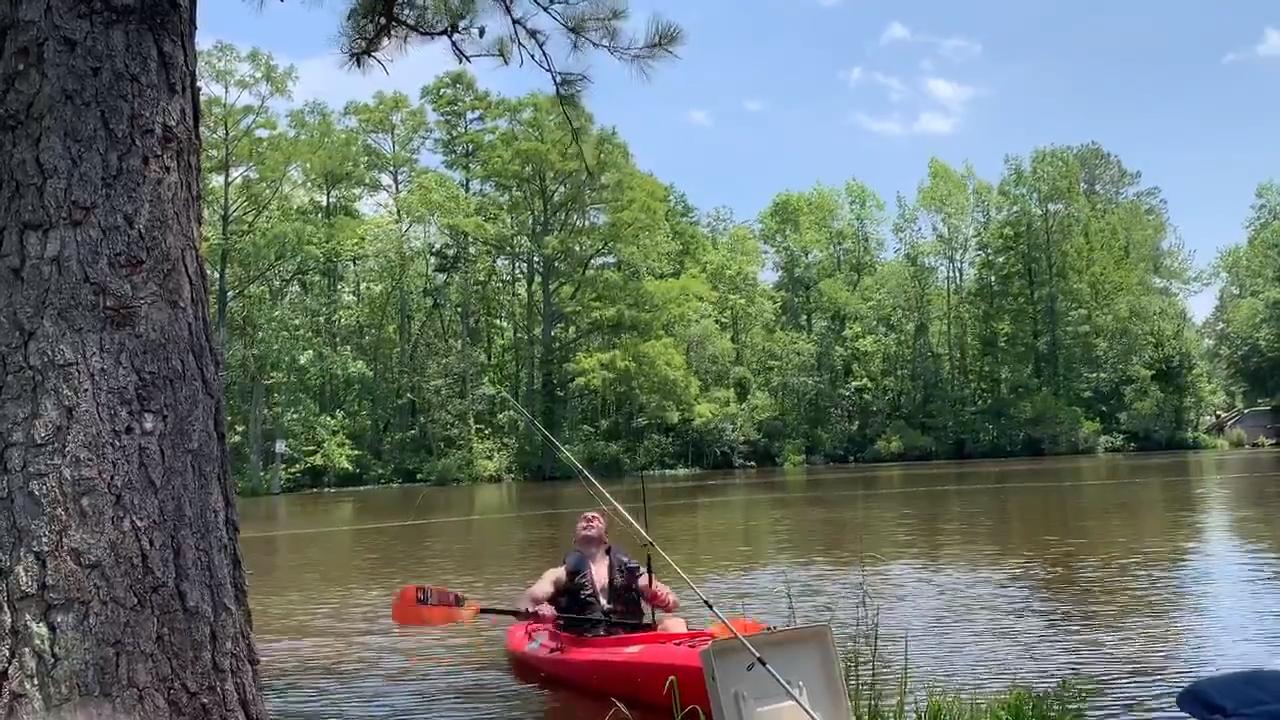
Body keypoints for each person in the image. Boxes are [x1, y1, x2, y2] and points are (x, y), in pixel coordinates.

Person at [518, 510, 689, 635]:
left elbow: (673, 603)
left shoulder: (632, 571)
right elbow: (525, 601)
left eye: (596, 519)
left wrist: (662, 599)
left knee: (675, 623)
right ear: (574, 539)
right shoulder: (558, 574)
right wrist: (538, 611)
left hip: (629, 639)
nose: (590, 519)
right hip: (584, 642)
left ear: (606, 538)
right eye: (584, 519)